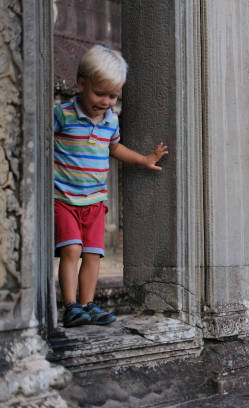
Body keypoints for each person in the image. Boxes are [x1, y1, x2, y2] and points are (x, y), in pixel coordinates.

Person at [54, 45, 168, 327]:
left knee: (93, 254)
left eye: (113, 96)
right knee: (72, 250)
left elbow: (114, 148)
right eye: (99, 93)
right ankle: (70, 306)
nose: (106, 101)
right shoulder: (63, 114)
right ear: (82, 84)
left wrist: (143, 159)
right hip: (64, 198)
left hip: (95, 202)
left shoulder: (110, 120)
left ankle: (87, 304)